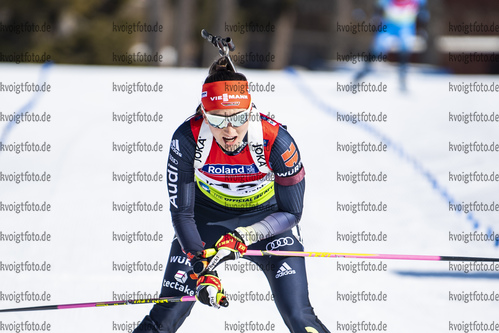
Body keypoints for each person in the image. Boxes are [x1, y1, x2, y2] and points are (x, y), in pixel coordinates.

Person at [133, 56, 330, 333]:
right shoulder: (187, 139)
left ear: (250, 111)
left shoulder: (276, 140)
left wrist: (245, 236)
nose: (229, 131)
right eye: (216, 119)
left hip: (268, 226)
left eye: (238, 118)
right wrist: (202, 269)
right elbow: (182, 213)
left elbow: (292, 213)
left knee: (300, 316)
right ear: (204, 114)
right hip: (206, 223)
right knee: (166, 314)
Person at [354, 0, 429, 91]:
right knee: (377, 46)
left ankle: (403, 78)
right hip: (388, 25)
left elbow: (423, 8)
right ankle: (362, 73)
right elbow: (378, 6)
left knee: (405, 47)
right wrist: (376, 15)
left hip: (406, 26)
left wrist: (423, 19)